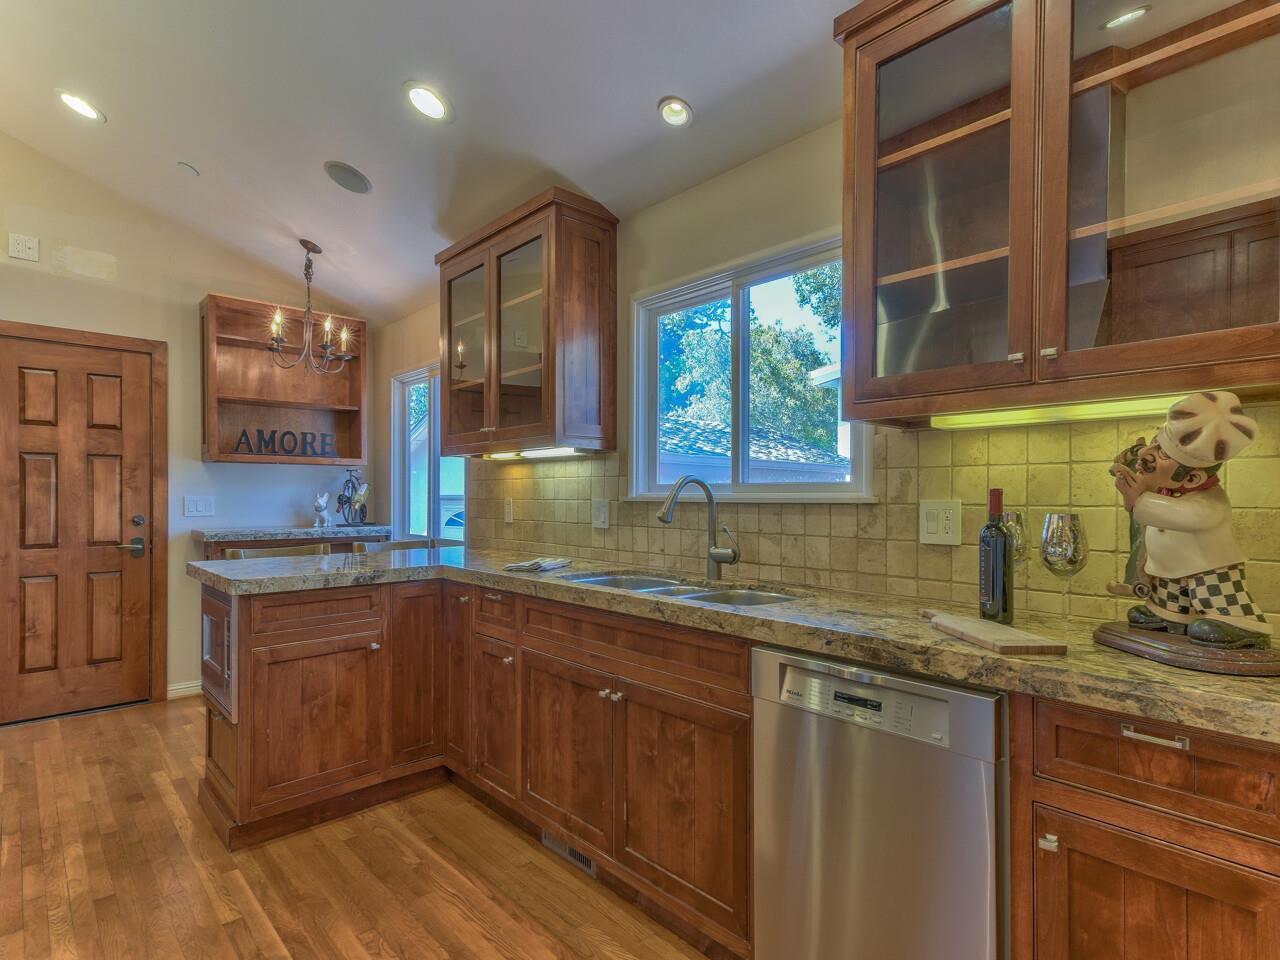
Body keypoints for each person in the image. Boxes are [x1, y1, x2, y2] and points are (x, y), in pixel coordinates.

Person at [1111, 391, 1271, 649]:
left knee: (1217, 595)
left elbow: (1185, 516)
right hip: (1170, 567)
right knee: (1169, 593)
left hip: (1208, 568)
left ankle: (1241, 623)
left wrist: (1138, 499)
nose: (1149, 453)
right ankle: (1170, 614)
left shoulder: (1210, 502)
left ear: (1193, 478)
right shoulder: (1167, 488)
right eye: (1155, 443)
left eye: (1161, 453)